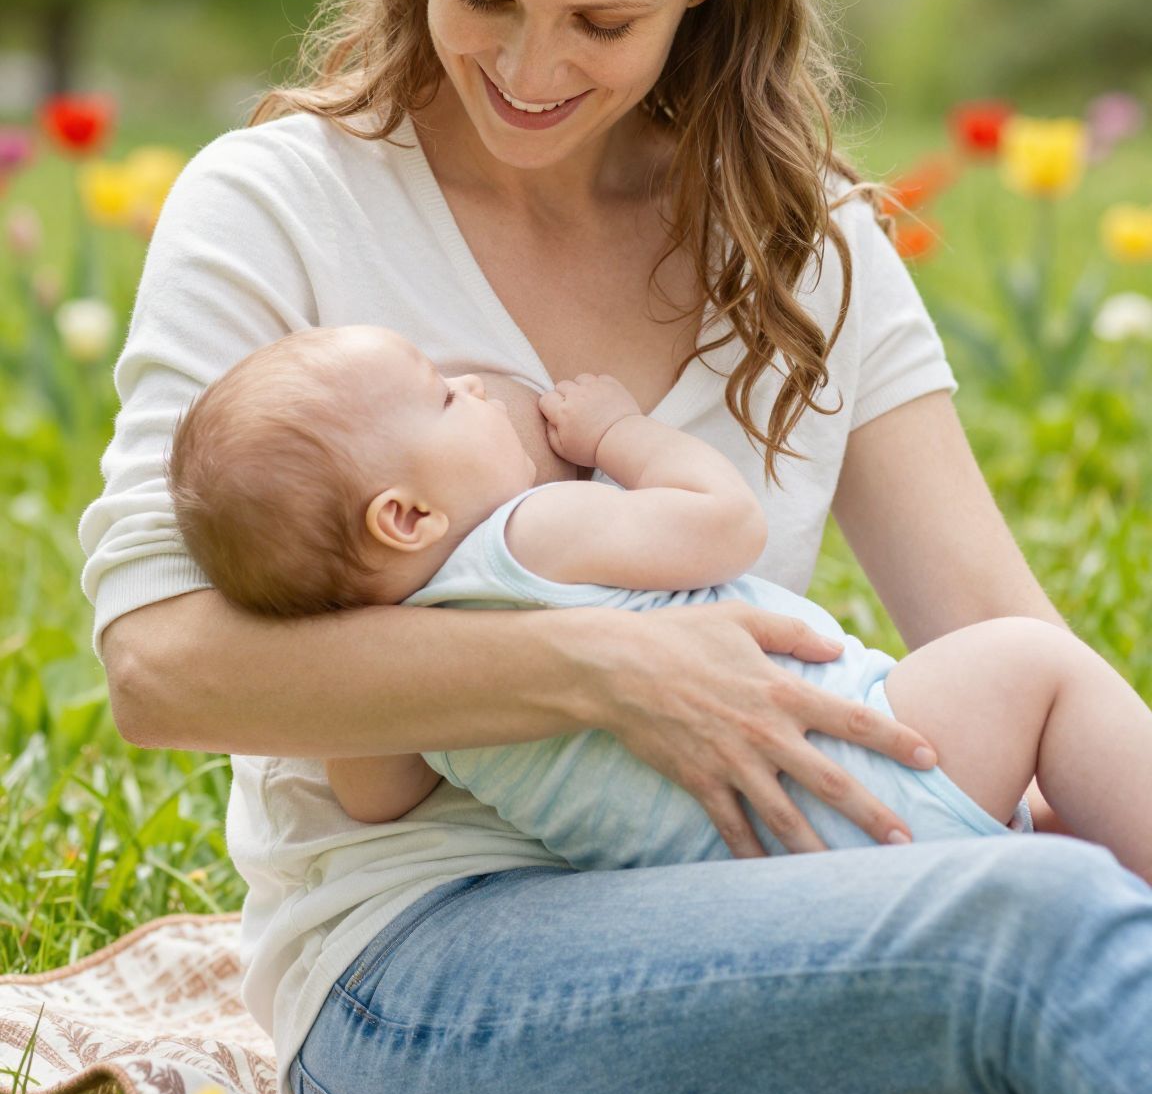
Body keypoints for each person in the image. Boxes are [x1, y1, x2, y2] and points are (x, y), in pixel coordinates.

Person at [78, 0, 1152, 1094]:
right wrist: (603, 672)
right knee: (1037, 929)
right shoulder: (278, 204)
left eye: (601, 20)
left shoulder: (810, 247)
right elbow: (164, 667)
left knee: (1072, 956)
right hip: (433, 981)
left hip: (782, 913)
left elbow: (1002, 637)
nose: (523, 66)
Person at [165, 320, 1152, 887]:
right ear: (410, 514)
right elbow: (722, 523)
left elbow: (375, 798)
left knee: (1060, 847)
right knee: (1037, 665)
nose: (470, 383)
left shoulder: (418, 695)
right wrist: (620, 433)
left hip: (753, 889)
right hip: (866, 764)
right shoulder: (529, 534)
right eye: (443, 395)